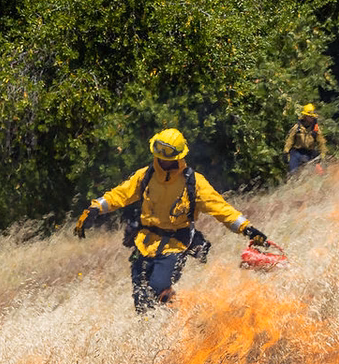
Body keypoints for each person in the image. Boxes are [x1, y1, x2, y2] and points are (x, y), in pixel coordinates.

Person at [75, 128, 270, 313]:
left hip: (174, 246)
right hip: (144, 243)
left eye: (166, 157)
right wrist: (95, 208)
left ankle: (186, 318)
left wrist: (247, 228)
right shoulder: (146, 175)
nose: (161, 160)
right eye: (158, 155)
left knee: (158, 289)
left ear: (178, 156)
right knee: (141, 298)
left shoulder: (194, 182)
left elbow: (221, 209)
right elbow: (120, 194)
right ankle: (154, 333)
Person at [283, 104, 327, 175]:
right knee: (293, 173)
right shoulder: (297, 127)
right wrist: (286, 151)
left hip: (308, 154)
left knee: (306, 174)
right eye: (310, 116)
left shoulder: (315, 129)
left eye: (312, 117)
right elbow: (290, 140)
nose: (312, 118)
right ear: (305, 116)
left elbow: (321, 142)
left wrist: (323, 154)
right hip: (295, 153)